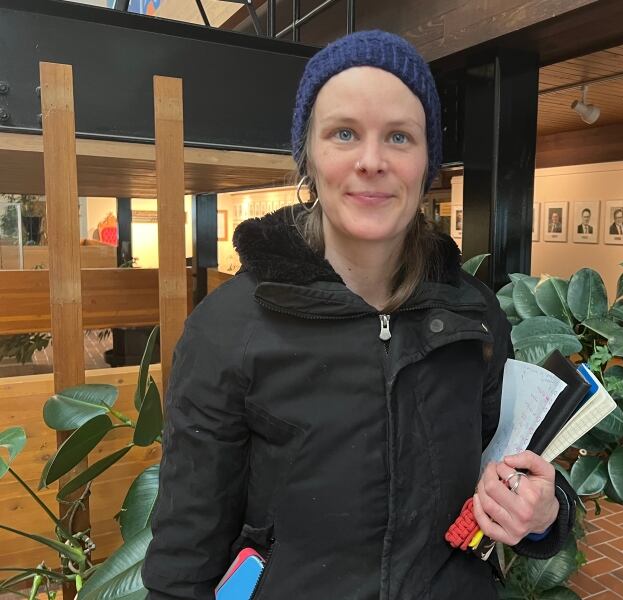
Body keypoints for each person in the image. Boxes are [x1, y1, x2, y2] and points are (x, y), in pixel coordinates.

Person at [142, 31, 575, 600]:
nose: (371, 162)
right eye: (344, 133)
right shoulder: (230, 328)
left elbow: (511, 472)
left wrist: (543, 513)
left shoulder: (472, 313)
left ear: (428, 162)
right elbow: (185, 548)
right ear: (309, 155)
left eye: (399, 136)